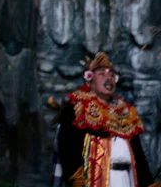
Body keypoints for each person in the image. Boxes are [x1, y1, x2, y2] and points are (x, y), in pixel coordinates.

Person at [57, 52, 160, 187]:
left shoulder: (126, 113)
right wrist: (76, 178)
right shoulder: (78, 107)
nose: (109, 78)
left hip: (127, 179)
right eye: (102, 74)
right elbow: (68, 145)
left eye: (112, 75)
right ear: (89, 79)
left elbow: (139, 156)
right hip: (97, 180)